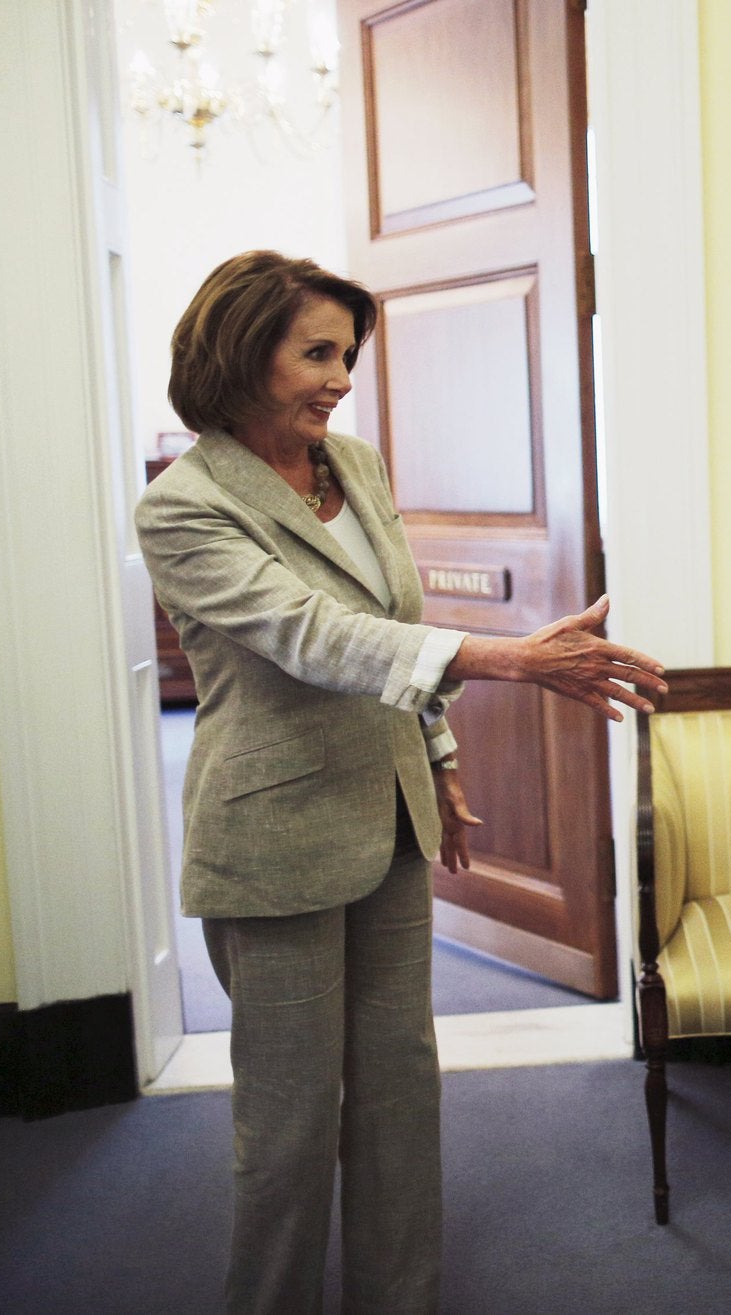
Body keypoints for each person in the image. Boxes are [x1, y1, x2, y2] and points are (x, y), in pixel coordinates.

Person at [136, 249, 667, 1313]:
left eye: (348, 353)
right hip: (272, 838)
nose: (340, 377)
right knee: (287, 1132)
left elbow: (395, 629)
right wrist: (513, 656)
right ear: (239, 353)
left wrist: (440, 761)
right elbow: (312, 636)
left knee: (397, 1097)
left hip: (387, 821)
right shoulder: (184, 507)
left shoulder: (356, 468)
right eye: (316, 353)